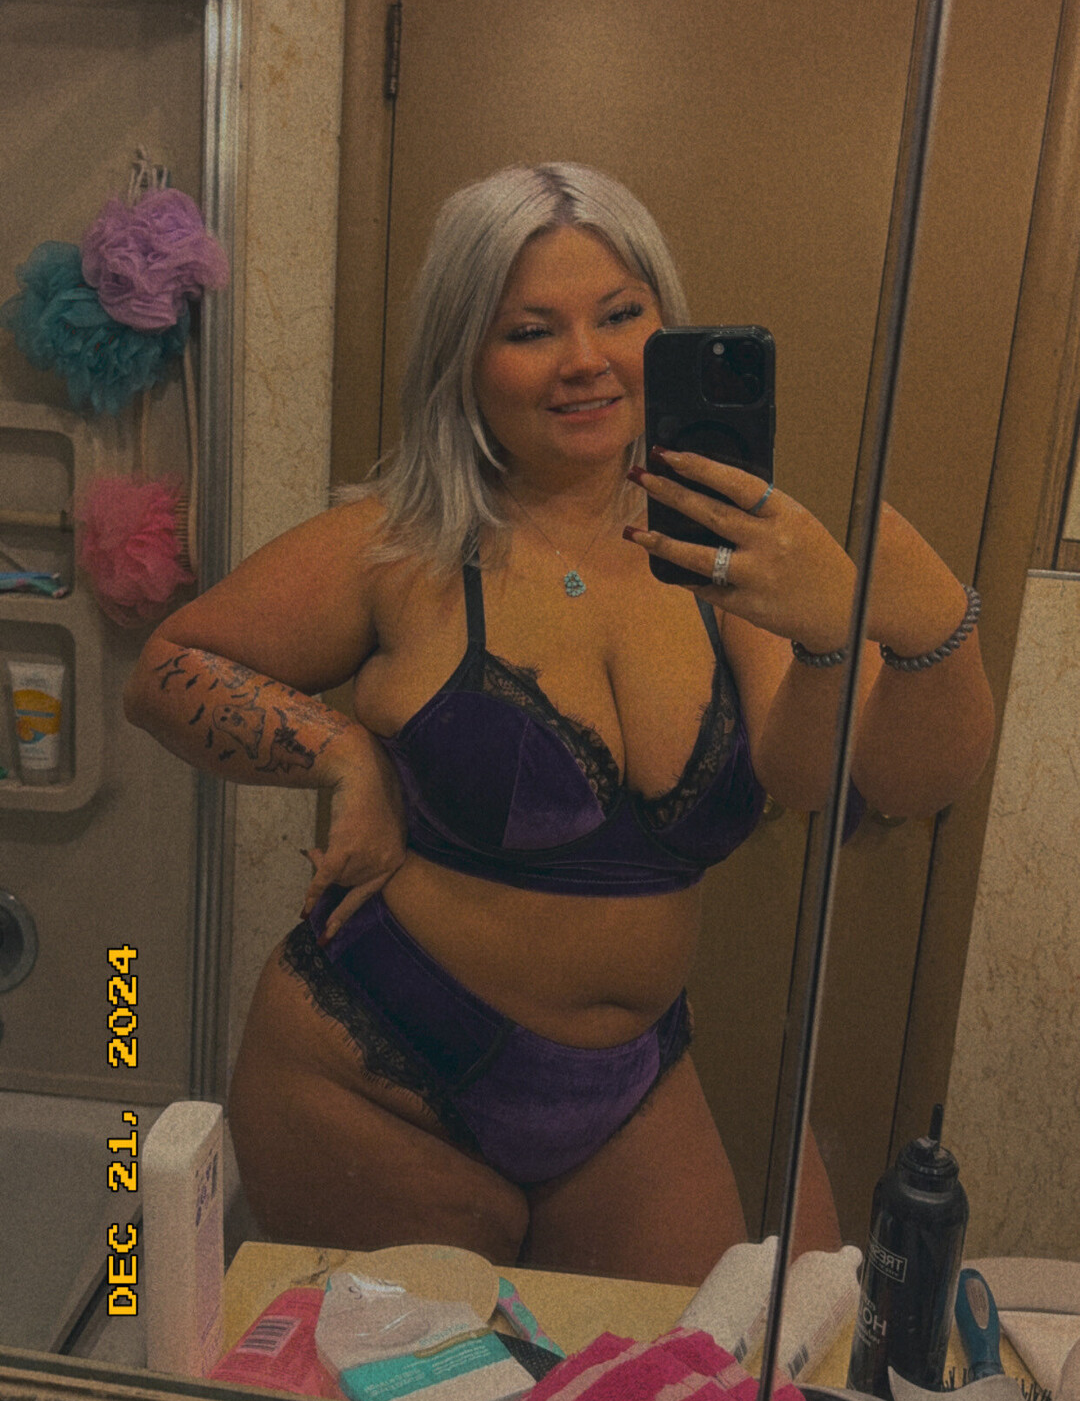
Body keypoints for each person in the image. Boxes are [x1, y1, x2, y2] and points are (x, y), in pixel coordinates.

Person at [123, 163, 995, 1284]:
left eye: (621, 314)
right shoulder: (398, 544)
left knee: (659, 1383)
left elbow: (833, 778)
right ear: (465, 357)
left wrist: (855, 636)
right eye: (532, 330)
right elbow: (168, 668)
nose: (586, 358)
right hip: (371, 1078)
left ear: (665, 327)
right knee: (416, 1395)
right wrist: (343, 755)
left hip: (630, 1093)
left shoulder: (732, 548)